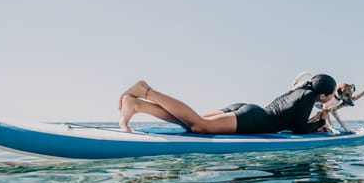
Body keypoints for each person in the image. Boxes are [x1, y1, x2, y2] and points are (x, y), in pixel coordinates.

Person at [118, 74, 337, 134]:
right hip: (258, 120)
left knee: (190, 123)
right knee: (199, 125)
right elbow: (298, 129)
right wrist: (319, 125)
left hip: (249, 110)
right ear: (324, 94)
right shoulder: (310, 96)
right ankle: (146, 90)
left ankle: (137, 106)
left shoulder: (299, 90)